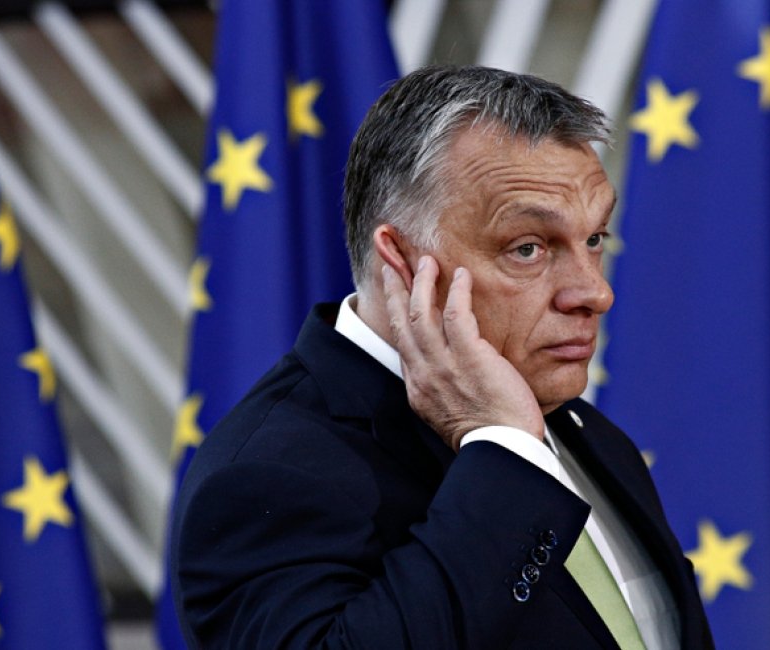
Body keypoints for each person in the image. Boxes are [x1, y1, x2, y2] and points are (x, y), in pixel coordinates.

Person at [172, 65, 713, 649]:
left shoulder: (592, 436)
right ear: (401, 263)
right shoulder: (266, 475)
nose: (594, 293)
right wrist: (506, 455)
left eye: (594, 240)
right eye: (528, 248)